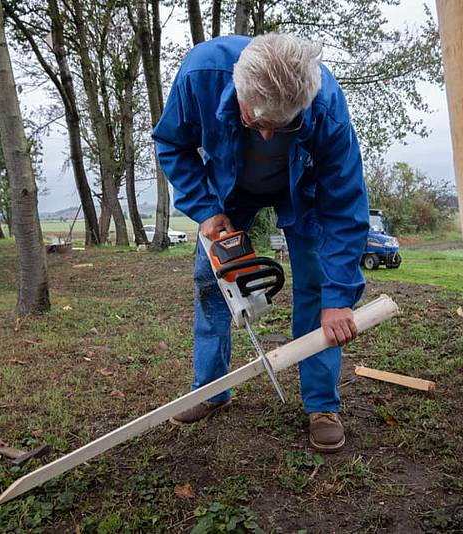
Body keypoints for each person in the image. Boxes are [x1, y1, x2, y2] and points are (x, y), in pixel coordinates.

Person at [152, 33, 369, 453]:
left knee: (317, 284)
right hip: (227, 195)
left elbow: (344, 206)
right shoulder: (202, 74)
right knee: (212, 283)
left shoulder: (326, 106)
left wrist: (340, 298)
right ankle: (210, 389)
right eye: (257, 123)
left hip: (300, 194)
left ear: (305, 104)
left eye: (283, 126)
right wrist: (206, 209)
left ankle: (322, 405)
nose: (269, 136)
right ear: (237, 88)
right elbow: (172, 144)